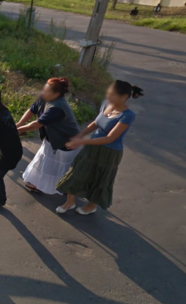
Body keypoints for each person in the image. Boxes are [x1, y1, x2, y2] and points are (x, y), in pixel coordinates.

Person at [55, 81, 143, 215]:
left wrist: (82, 142)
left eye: (112, 94)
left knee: (100, 179)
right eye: (109, 93)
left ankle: (91, 206)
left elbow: (110, 138)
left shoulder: (127, 115)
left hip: (109, 152)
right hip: (93, 146)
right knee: (76, 171)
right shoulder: (106, 104)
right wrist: (80, 136)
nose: (109, 96)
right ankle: (70, 202)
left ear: (124, 96)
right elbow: (95, 123)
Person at [16, 78, 81, 195]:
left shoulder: (58, 108)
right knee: (44, 162)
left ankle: (64, 187)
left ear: (56, 94)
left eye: (46, 91)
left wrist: (19, 130)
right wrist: (19, 124)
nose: (43, 93)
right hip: (52, 140)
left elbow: (37, 124)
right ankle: (40, 184)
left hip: (66, 142)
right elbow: (32, 110)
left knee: (55, 167)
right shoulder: (45, 98)